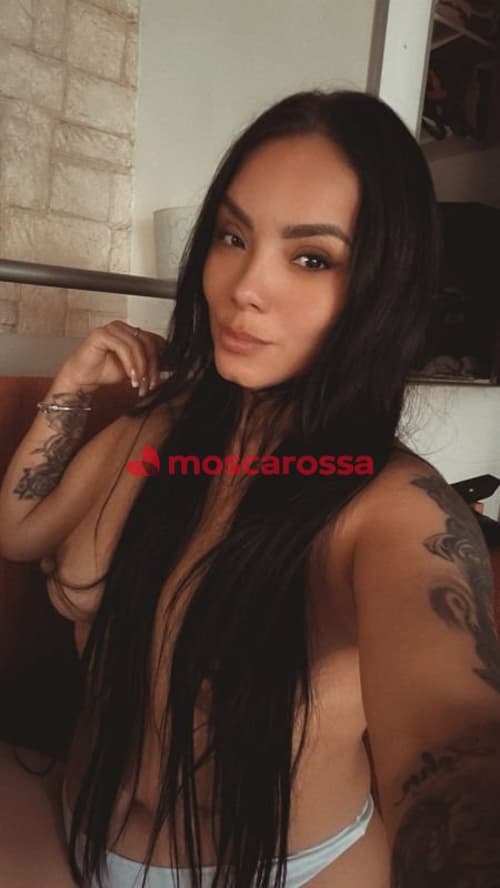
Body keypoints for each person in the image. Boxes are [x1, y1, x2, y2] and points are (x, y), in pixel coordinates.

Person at [1, 88, 500, 888]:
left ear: (381, 286)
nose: (244, 287)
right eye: (232, 237)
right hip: (78, 826)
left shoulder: (387, 506)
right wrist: (73, 386)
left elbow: (453, 736)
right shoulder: (160, 435)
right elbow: (20, 530)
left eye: (312, 258)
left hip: (294, 869)